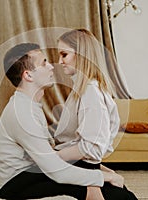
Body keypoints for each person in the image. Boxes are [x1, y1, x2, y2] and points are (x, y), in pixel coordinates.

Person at [0, 42, 120, 200]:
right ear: (28, 75)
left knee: (107, 186)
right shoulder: (21, 113)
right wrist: (105, 177)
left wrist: (103, 171)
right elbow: (56, 170)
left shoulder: (29, 104)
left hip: (35, 172)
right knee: (112, 193)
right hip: (16, 184)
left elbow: (50, 156)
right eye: (44, 63)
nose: (52, 67)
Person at [54, 28, 138, 200]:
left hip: (81, 168)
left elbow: (91, 147)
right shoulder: (84, 88)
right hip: (80, 166)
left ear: (82, 55)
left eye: (64, 55)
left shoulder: (89, 91)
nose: (59, 61)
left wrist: (51, 158)